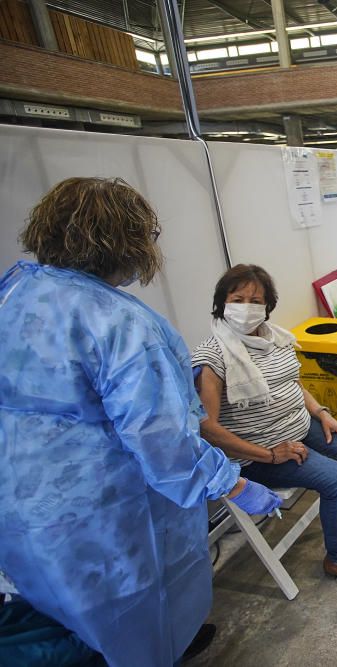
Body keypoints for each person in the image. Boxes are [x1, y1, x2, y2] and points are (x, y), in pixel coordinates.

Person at [0, 177, 280, 667]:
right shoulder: (121, 324)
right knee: (136, 613)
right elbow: (161, 438)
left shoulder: (16, 291)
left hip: (24, 502)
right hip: (107, 510)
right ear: (124, 242)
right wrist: (231, 484)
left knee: (62, 611)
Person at [193, 264, 337, 586]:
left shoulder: (274, 338)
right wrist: (270, 454)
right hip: (258, 453)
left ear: (267, 307)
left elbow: (293, 384)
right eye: (238, 298)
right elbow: (207, 429)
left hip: (299, 428)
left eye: (255, 300)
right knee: (336, 476)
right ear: (222, 302)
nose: (246, 308)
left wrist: (324, 414)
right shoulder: (212, 357)